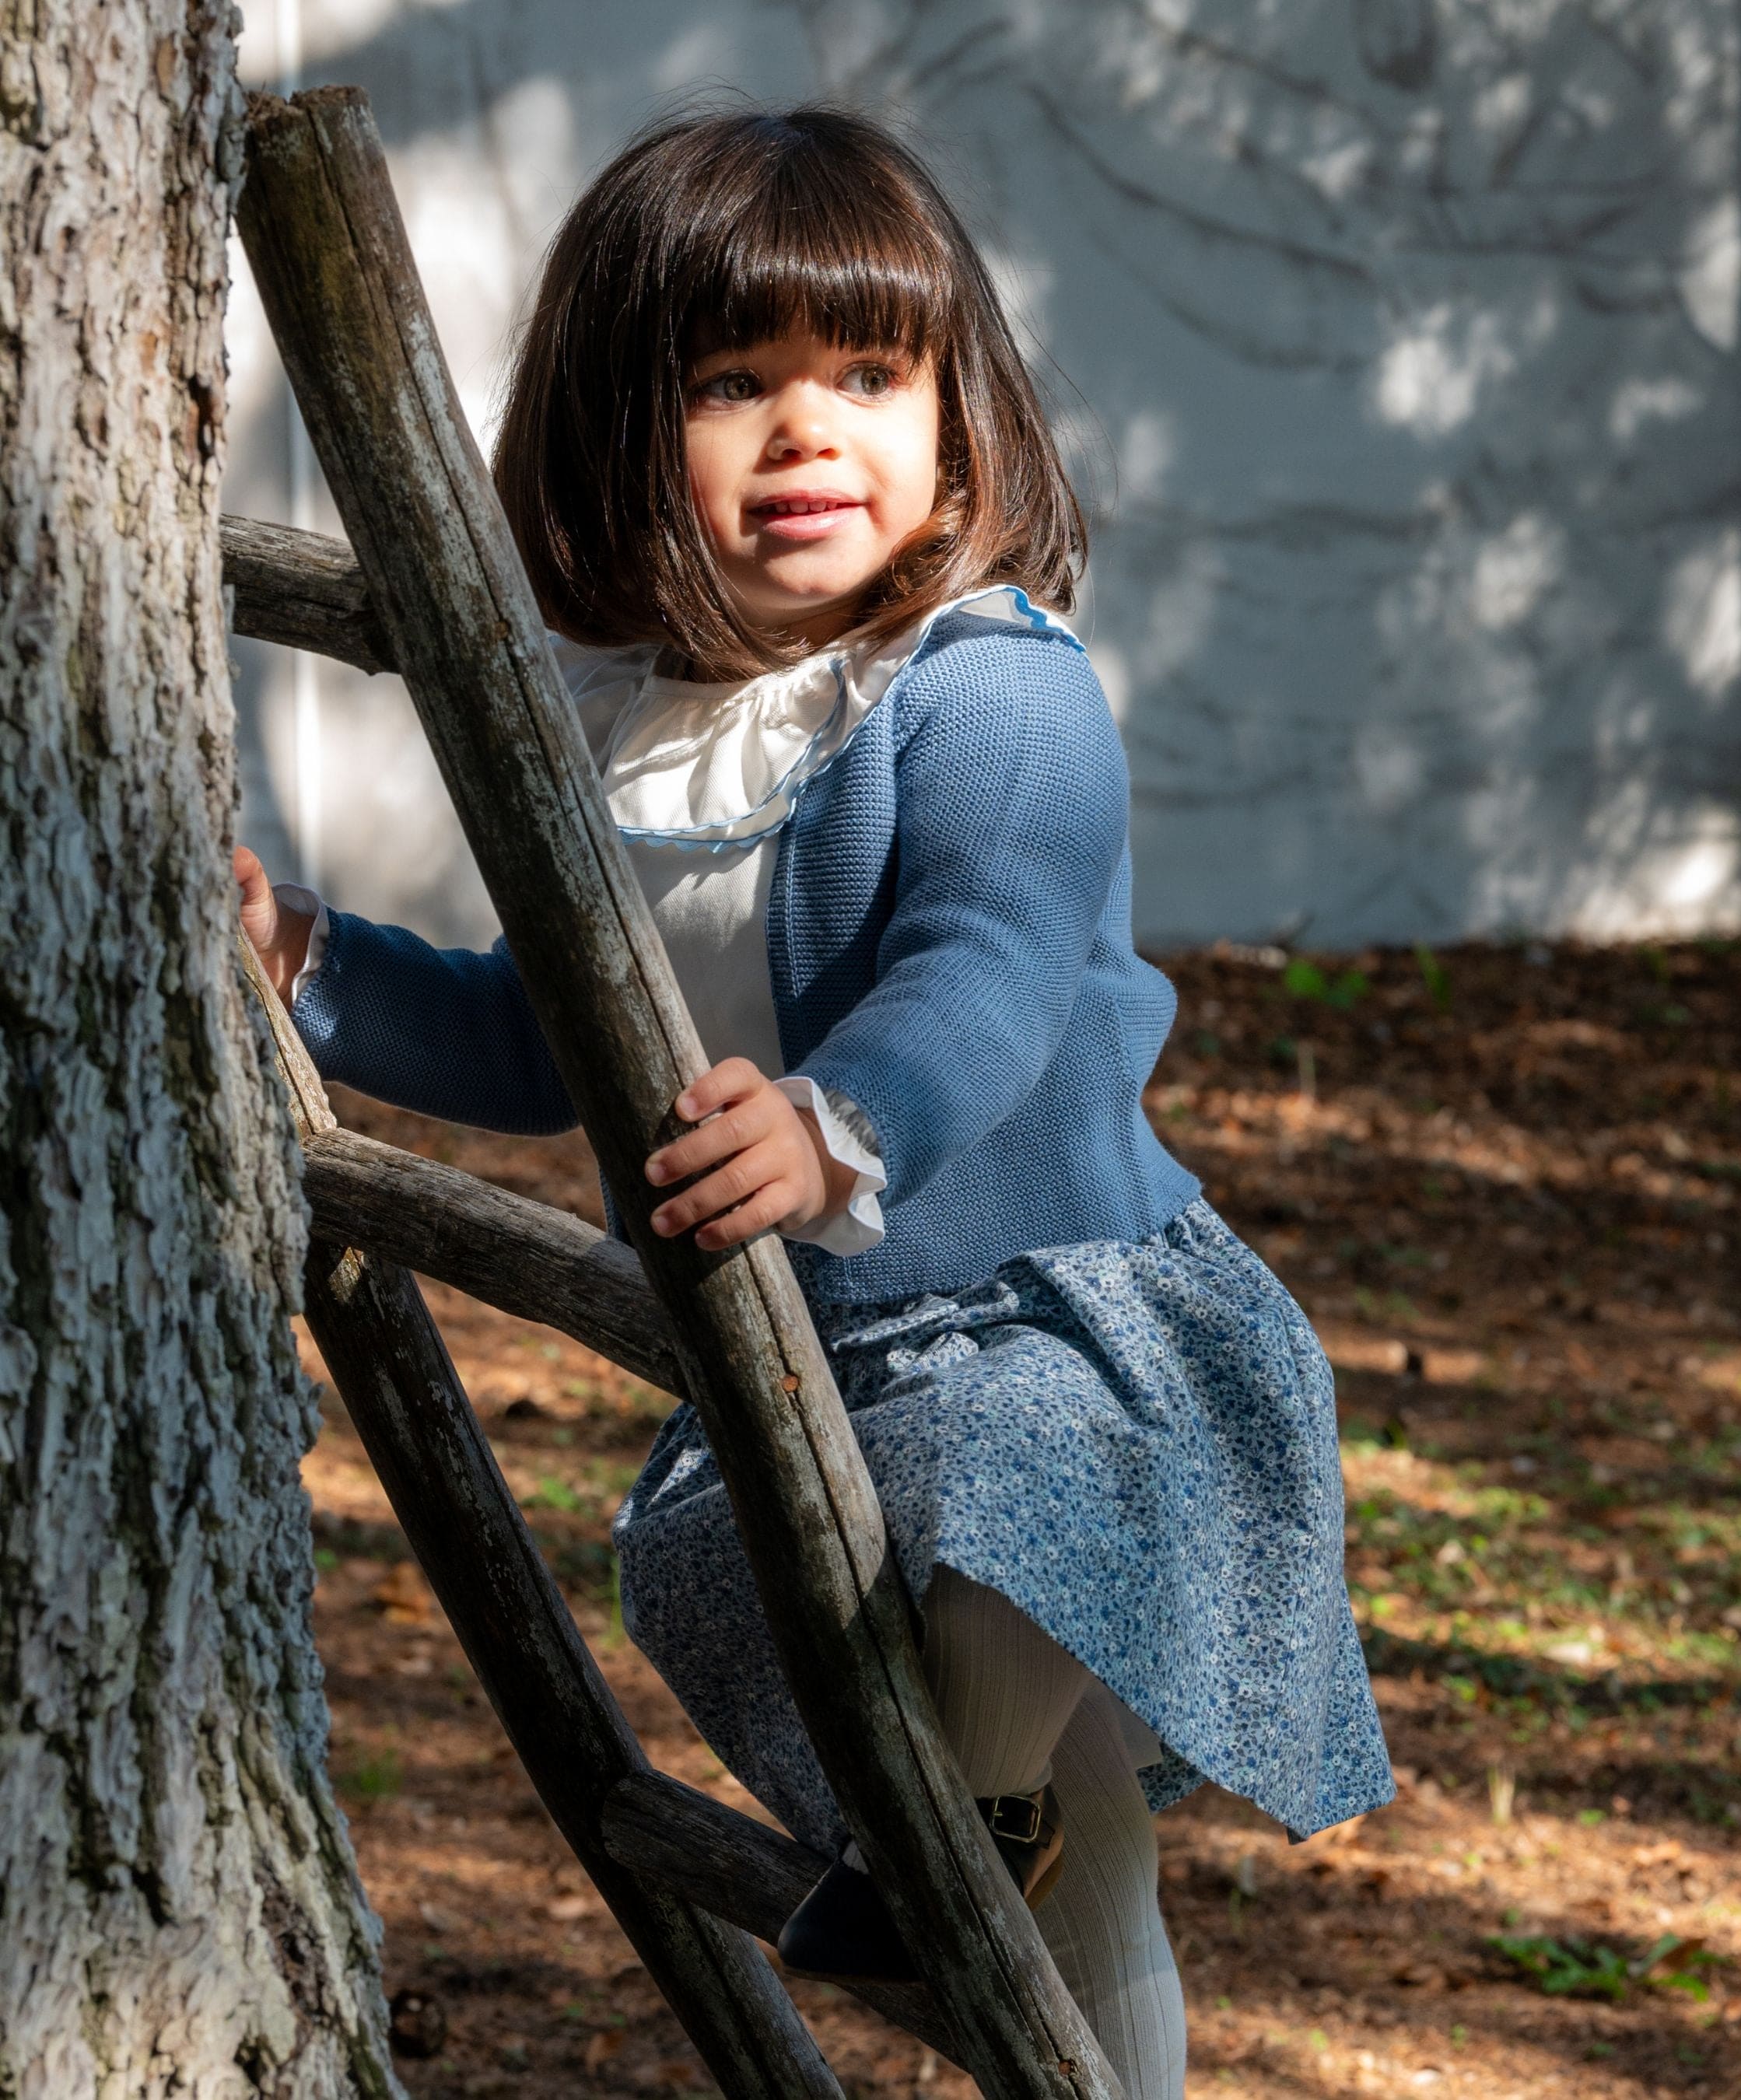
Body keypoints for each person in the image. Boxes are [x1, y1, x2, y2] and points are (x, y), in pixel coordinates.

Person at [237, 105, 1391, 2098]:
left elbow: (990, 976)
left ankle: (955, 1818)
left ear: (960, 416)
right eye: (730, 385)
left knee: (1012, 1499)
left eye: (870, 375)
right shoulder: (616, 730)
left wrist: (838, 1120)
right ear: (620, 427)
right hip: (813, 1358)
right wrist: (319, 970)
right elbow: (550, 1034)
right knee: (1071, 1883)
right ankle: (1000, 1874)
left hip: (1049, 1305)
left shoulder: (987, 690)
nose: (808, 435)